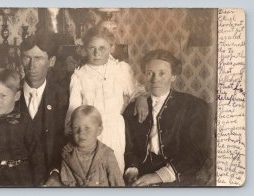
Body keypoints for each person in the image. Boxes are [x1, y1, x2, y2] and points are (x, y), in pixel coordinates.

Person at [65, 26, 148, 174]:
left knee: (115, 169)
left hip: (115, 128)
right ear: (85, 49)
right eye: (92, 48)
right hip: (89, 130)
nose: (97, 53)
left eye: (102, 48)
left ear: (111, 47)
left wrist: (141, 98)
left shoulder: (121, 69)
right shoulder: (80, 75)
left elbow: (136, 89)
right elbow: (73, 109)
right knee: (92, 171)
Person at [123, 49, 212, 186]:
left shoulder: (194, 106)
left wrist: (158, 176)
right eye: (149, 73)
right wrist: (132, 170)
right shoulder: (133, 108)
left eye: (162, 73)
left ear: (173, 76)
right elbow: (129, 148)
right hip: (141, 172)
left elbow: (197, 152)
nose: (155, 79)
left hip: (178, 174)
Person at [0, 68, 45, 186]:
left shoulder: (24, 121)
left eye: (3, 96)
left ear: (17, 96)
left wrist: (39, 184)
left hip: (20, 180)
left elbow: (37, 155)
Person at [19, 33, 68, 186]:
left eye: (38, 58)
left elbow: (64, 140)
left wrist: (55, 173)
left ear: (51, 61)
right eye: (27, 57)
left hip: (50, 178)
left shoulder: (62, 96)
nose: (31, 66)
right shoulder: (8, 94)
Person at [60, 105, 125, 186]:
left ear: (99, 130)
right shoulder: (68, 155)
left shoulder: (107, 154)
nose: (81, 133)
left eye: (87, 128)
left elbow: (118, 184)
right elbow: (65, 184)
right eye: (76, 128)